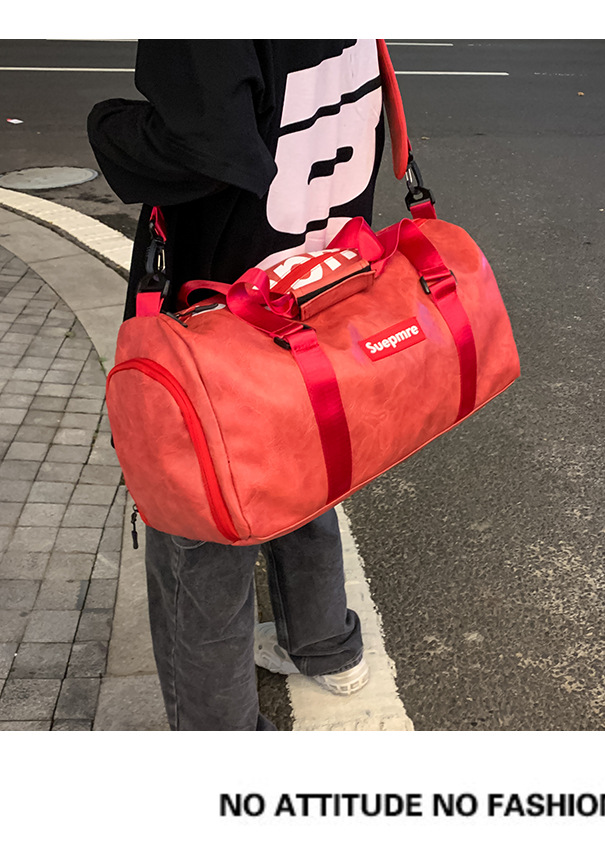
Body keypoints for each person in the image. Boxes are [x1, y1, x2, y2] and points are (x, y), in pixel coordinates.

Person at [88, 39, 385, 731]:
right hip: (322, 275)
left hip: (224, 313)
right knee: (306, 461)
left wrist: (107, 124)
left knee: (202, 532)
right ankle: (325, 645)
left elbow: (204, 148)